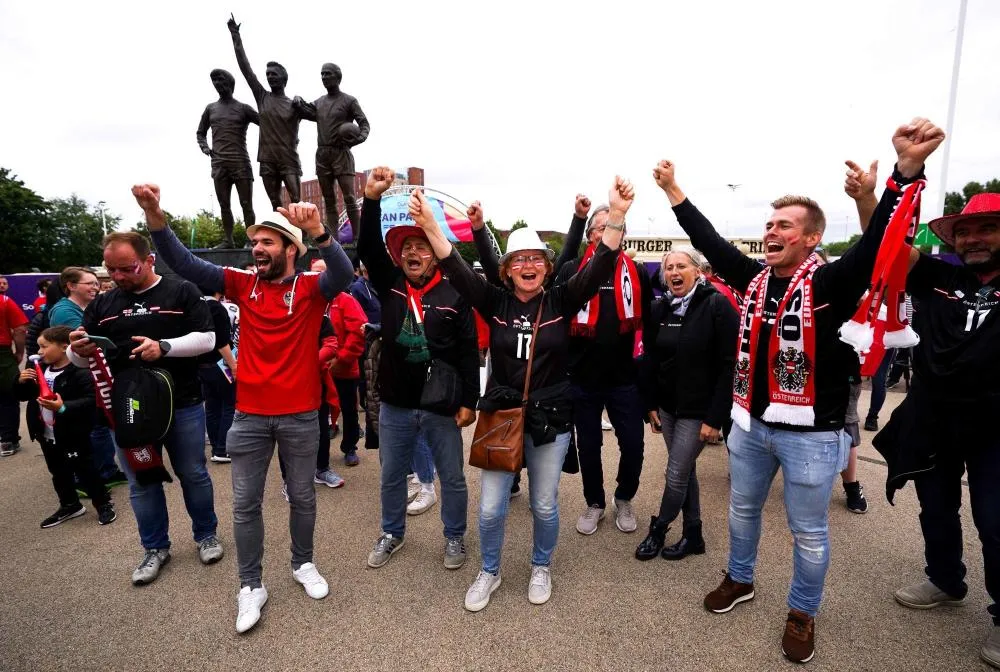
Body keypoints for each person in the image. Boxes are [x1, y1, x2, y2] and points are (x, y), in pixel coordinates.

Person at [653, 117, 944, 664]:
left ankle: (802, 612)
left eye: (785, 225)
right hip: (750, 426)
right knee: (741, 511)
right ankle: (740, 578)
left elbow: (879, 242)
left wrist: (904, 172)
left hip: (811, 435)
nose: (772, 230)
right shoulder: (753, 279)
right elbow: (708, 239)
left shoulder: (833, 283)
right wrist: (673, 191)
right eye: (769, 223)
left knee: (807, 532)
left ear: (811, 238)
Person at [132, 183, 354, 634]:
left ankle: (303, 563)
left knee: (303, 497)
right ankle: (251, 585)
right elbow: (184, 263)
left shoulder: (311, 288)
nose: (256, 248)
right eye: (254, 242)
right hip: (249, 415)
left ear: (290, 249)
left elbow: (344, 274)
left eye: (267, 241)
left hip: (300, 414)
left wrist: (320, 232)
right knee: (245, 504)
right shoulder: (242, 283)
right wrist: (155, 215)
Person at [416, 176, 633, 612]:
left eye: (536, 258)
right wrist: (430, 228)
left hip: (551, 420)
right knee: (491, 508)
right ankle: (489, 571)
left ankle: (540, 565)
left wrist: (617, 216)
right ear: (507, 269)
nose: (528, 265)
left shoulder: (561, 300)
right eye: (519, 259)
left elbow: (599, 266)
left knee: (545, 505)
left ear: (547, 268)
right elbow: (455, 266)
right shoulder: (494, 301)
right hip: (502, 417)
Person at [875, 189, 1000, 669]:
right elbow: (888, 247)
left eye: (987, 228)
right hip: (934, 421)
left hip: (995, 429)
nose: (973, 239)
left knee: (996, 521)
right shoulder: (941, 277)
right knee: (937, 507)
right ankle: (946, 579)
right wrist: (870, 197)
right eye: (964, 232)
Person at [68, 231, 224, 588]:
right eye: (111, 269)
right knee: (141, 481)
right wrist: (77, 350)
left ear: (149, 260)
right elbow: (79, 356)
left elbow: (207, 339)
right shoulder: (103, 304)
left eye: (127, 268)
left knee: (193, 473)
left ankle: (206, 535)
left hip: (182, 403)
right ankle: (154, 548)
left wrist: (164, 346)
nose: (118, 276)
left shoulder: (181, 291)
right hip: (129, 409)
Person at [358, 167, 479, 573]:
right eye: (406, 247)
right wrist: (371, 199)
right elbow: (367, 246)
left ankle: (454, 536)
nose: (413, 252)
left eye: (421, 246)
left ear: (434, 253)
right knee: (392, 476)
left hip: (441, 405)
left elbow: (468, 352)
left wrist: (469, 402)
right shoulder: (390, 282)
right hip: (395, 404)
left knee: (452, 477)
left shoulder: (454, 291)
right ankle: (392, 533)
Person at [554, 203, 652, 536]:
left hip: (625, 379)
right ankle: (594, 502)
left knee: (634, 446)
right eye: (601, 227)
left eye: (615, 227)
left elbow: (648, 325)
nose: (608, 232)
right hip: (583, 379)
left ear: (623, 234)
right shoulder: (571, 270)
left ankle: (623, 497)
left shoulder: (636, 272)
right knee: (589, 446)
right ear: (590, 236)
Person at [635, 248, 737, 561]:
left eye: (681, 266)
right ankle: (694, 534)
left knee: (676, 473)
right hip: (668, 407)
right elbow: (650, 359)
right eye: (669, 268)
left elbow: (730, 366)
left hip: (699, 410)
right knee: (686, 470)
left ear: (698, 271)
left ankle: (658, 528)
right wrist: (650, 404)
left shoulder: (717, 304)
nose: (674, 272)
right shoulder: (660, 308)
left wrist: (716, 418)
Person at [15, 327, 116, 527]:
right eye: (38, 347)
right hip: (46, 433)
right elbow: (23, 396)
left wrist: (63, 407)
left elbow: (91, 401)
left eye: (44, 346)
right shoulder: (38, 368)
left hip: (72, 433)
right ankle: (70, 504)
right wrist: (20, 382)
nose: (39, 351)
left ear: (64, 347)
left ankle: (103, 503)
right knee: (58, 472)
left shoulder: (79, 371)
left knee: (85, 469)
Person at [49, 267, 127, 486]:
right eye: (89, 283)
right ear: (71, 286)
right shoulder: (64, 311)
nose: (96, 287)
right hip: (79, 375)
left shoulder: (85, 307)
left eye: (96, 283)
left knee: (99, 422)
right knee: (95, 423)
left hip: (89, 372)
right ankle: (96, 474)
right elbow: (88, 342)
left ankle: (104, 469)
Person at [227, 14, 305, 209]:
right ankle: (277, 230)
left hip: (288, 159)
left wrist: (300, 101)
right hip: (267, 159)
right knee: (275, 205)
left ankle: (300, 230)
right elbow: (245, 68)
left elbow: (320, 115)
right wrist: (235, 35)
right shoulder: (262, 96)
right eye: (268, 74)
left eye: (274, 74)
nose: (270, 77)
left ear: (284, 79)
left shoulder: (294, 105)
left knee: (297, 202)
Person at [294, 64, 370, 242]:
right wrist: (298, 100)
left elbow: (364, 124)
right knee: (328, 200)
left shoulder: (349, 101)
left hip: (341, 153)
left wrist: (356, 140)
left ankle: (358, 238)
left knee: (350, 197)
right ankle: (333, 239)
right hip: (322, 154)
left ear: (338, 77)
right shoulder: (319, 102)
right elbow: (304, 110)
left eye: (327, 74)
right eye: (322, 74)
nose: (324, 77)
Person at [311, 258, 367, 467]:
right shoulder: (308, 300)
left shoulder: (345, 300)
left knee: (349, 410)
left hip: (343, 368)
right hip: (315, 370)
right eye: (314, 272)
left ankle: (350, 447)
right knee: (317, 412)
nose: (318, 276)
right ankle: (319, 456)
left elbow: (357, 333)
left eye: (322, 272)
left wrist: (340, 358)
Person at [196, 69, 260, 248]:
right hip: (219, 164)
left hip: (240, 162)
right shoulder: (210, 109)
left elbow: (267, 124)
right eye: (215, 81)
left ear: (230, 84)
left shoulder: (244, 108)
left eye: (221, 80)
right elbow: (200, 132)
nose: (218, 84)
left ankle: (251, 239)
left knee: (246, 204)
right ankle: (228, 240)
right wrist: (205, 147)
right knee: (224, 204)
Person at [198, 288, 238, 463]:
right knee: (229, 405)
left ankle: (216, 447)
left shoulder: (196, 305)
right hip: (221, 364)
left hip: (202, 364)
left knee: (212, 407)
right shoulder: (216, 308)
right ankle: (223, 448)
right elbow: (222, 342)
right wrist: (233, 365)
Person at [0, 284, 28, 456]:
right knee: (8, 395)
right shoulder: (4, 301)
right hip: (2, 354)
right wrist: (19, 352)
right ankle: (8, 440)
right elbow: (19, 329)